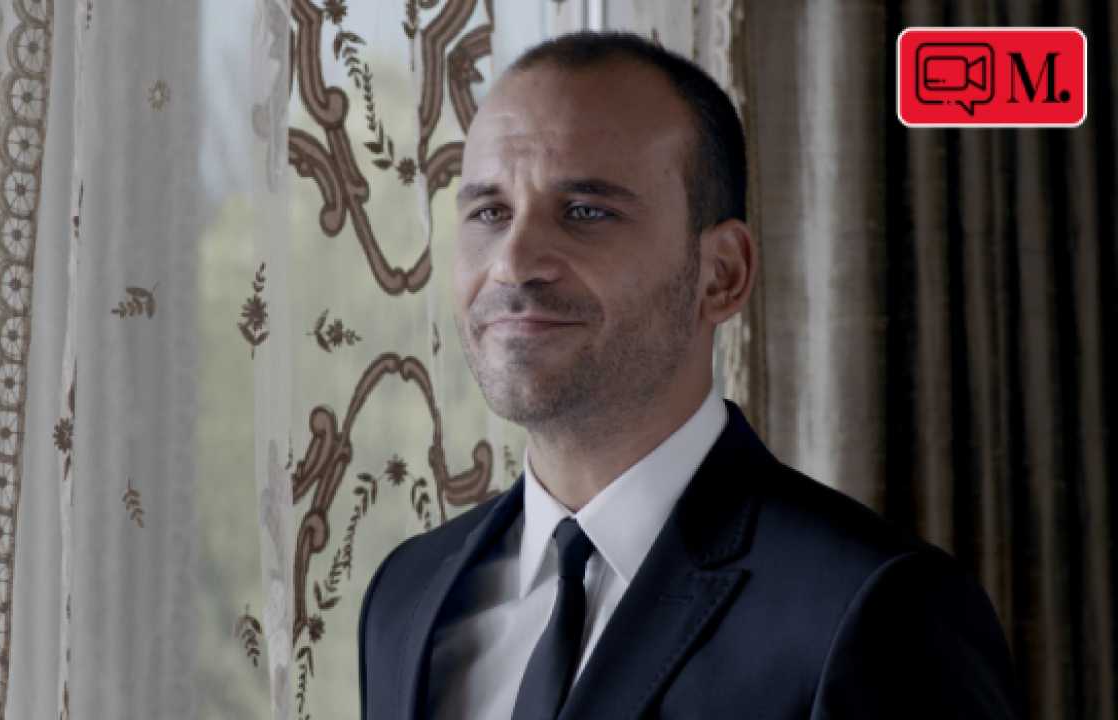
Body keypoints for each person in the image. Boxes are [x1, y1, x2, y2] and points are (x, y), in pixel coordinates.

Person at [358, 31, 1019, 720]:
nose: (513, 263)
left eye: (585, 212)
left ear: (722, 274)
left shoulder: (881, 610)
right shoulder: (405, 596)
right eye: (489, 213)